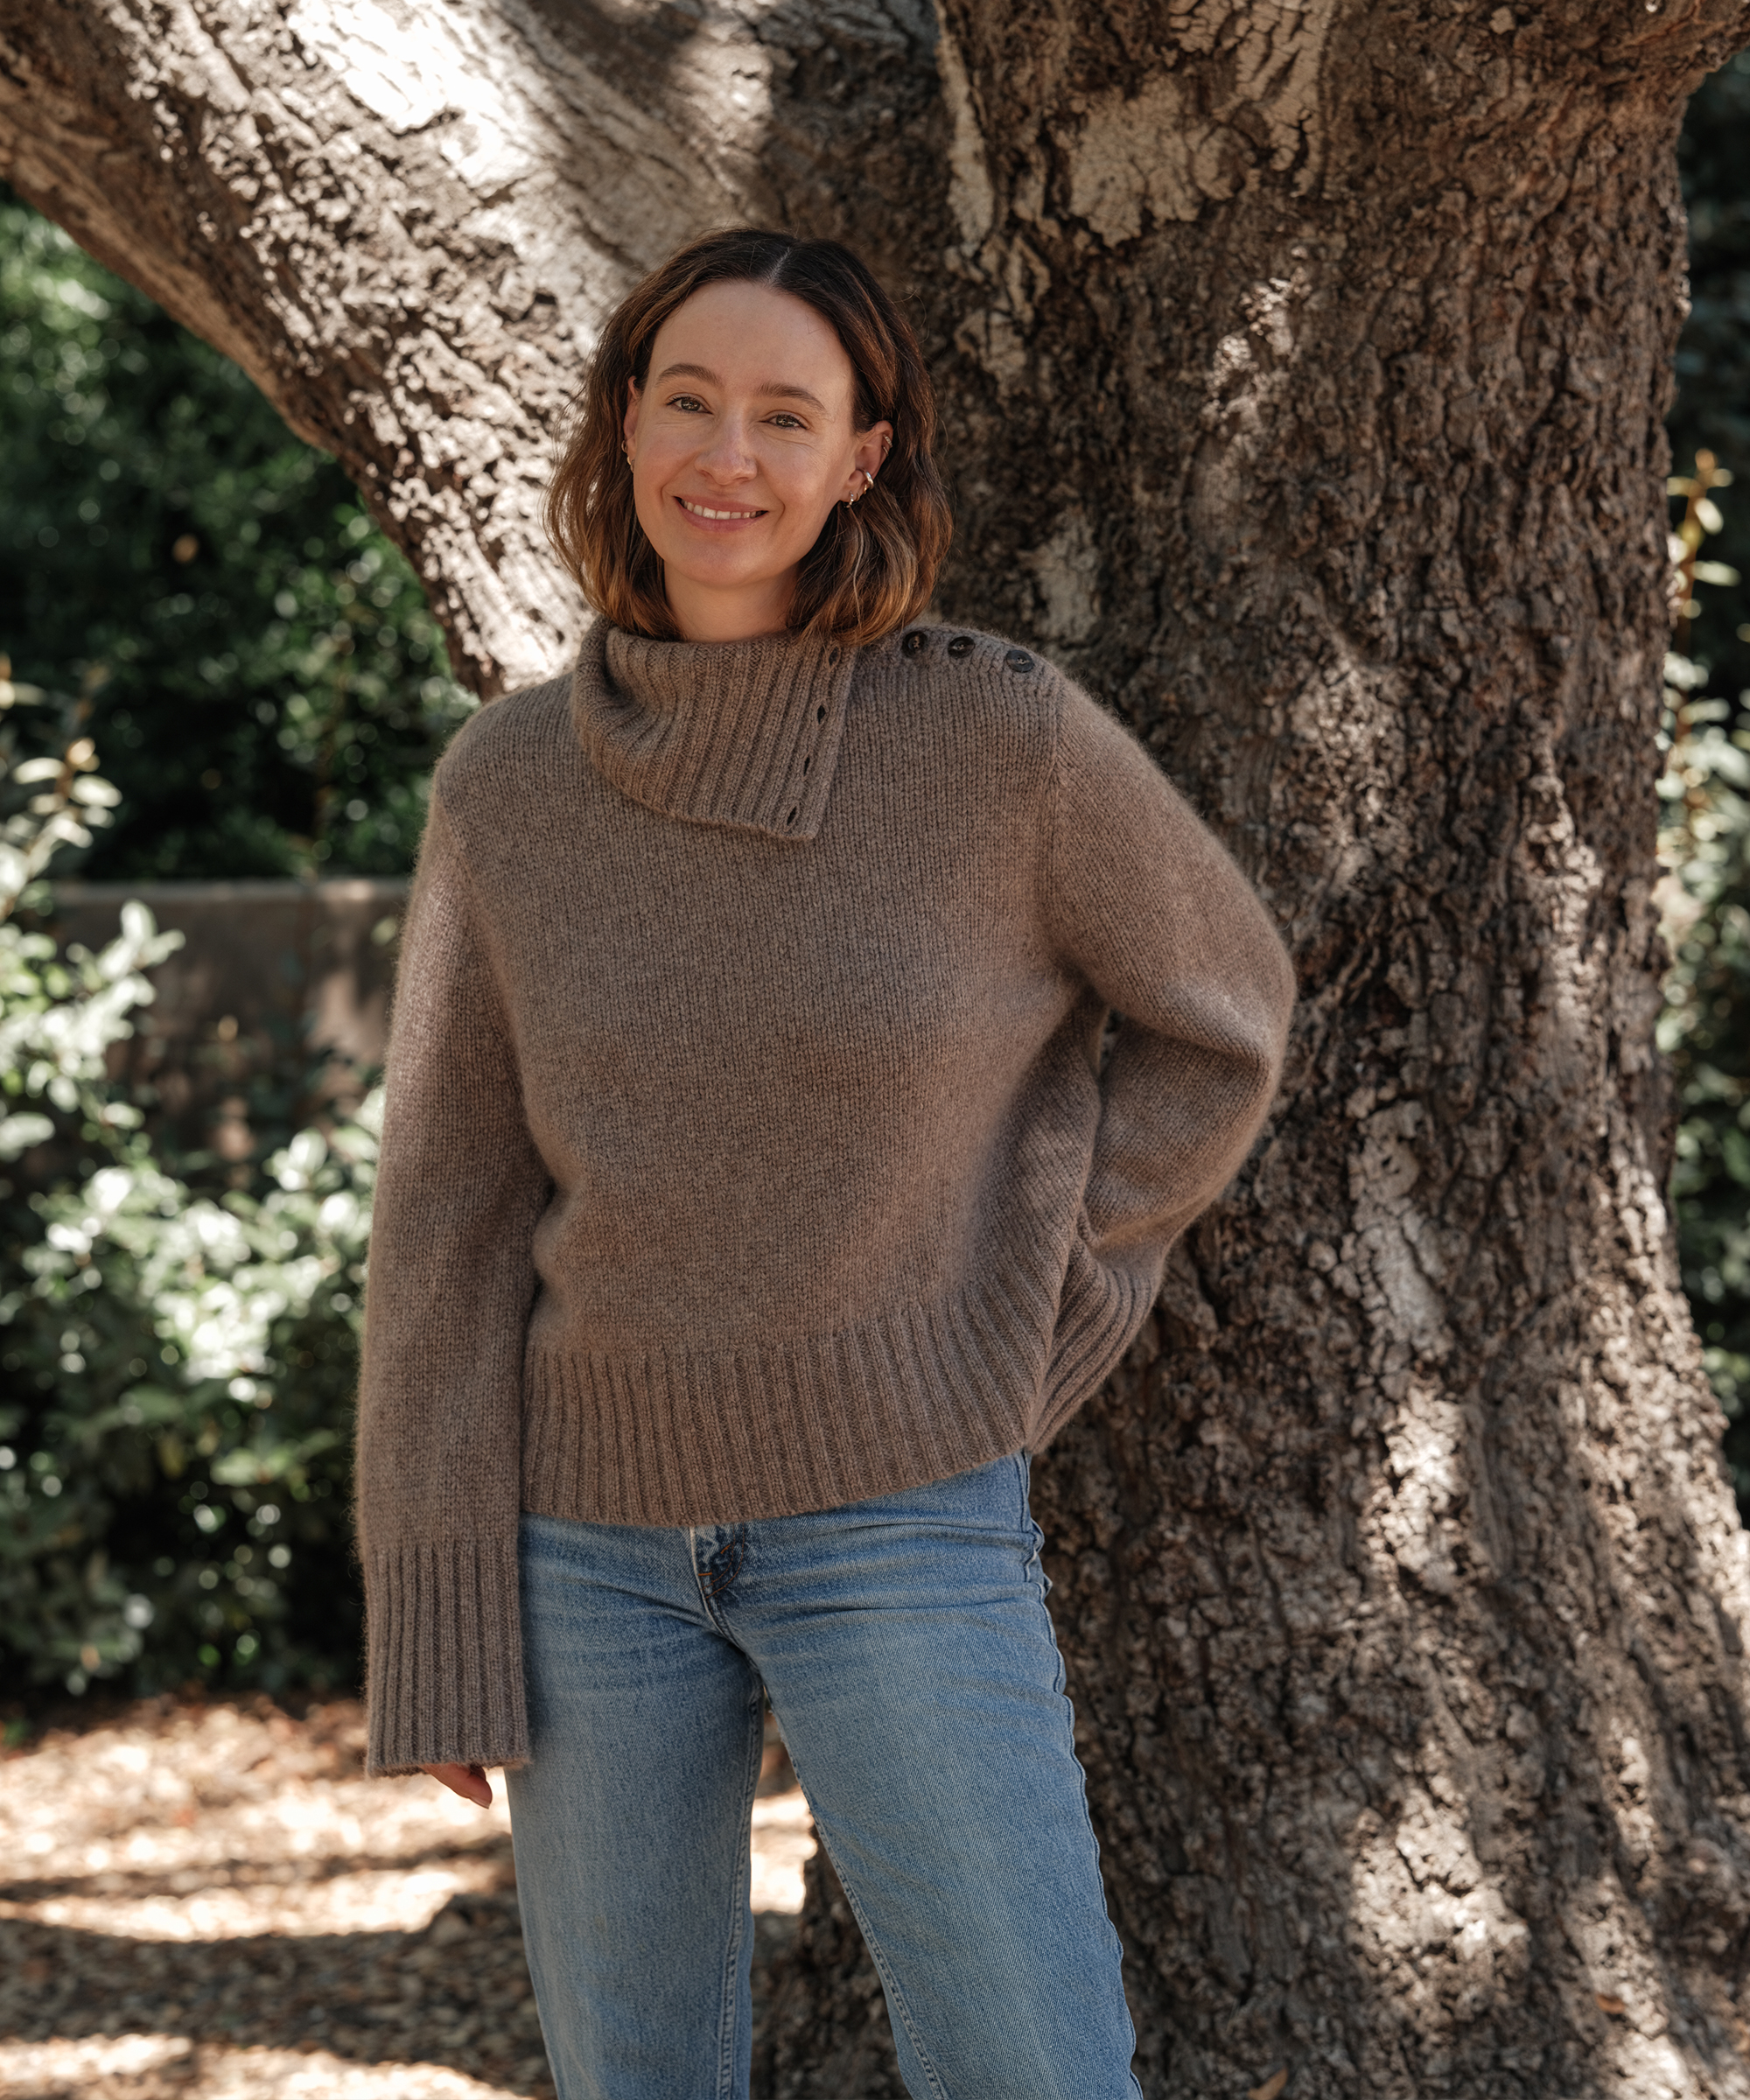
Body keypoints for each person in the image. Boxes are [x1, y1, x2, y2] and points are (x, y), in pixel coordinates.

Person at [354, 226, 1296, 2100]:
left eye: (788, 414)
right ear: (625, 422)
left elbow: (1221, 1016)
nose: (729, 454)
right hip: (579, 1550)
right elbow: (446, 1215)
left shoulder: (997, 739)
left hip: (901, 1521)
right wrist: (431, 1590)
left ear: (863, 457)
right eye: (688, 398)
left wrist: (1027, 1312)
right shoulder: (509, 786)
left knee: (1032, 2068)